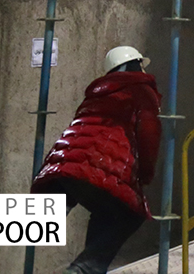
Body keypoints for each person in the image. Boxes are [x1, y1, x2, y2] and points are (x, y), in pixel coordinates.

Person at [31, 46, 161, 274]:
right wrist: (146, 174)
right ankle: (84, 270)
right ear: (134, 65)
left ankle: (88, 269)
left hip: (62, 166)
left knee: (104, 213)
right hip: (97, 166)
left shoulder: (96, 94)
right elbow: (149, 135)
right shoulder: (141, 90)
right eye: (141, 64)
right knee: (130, 214)